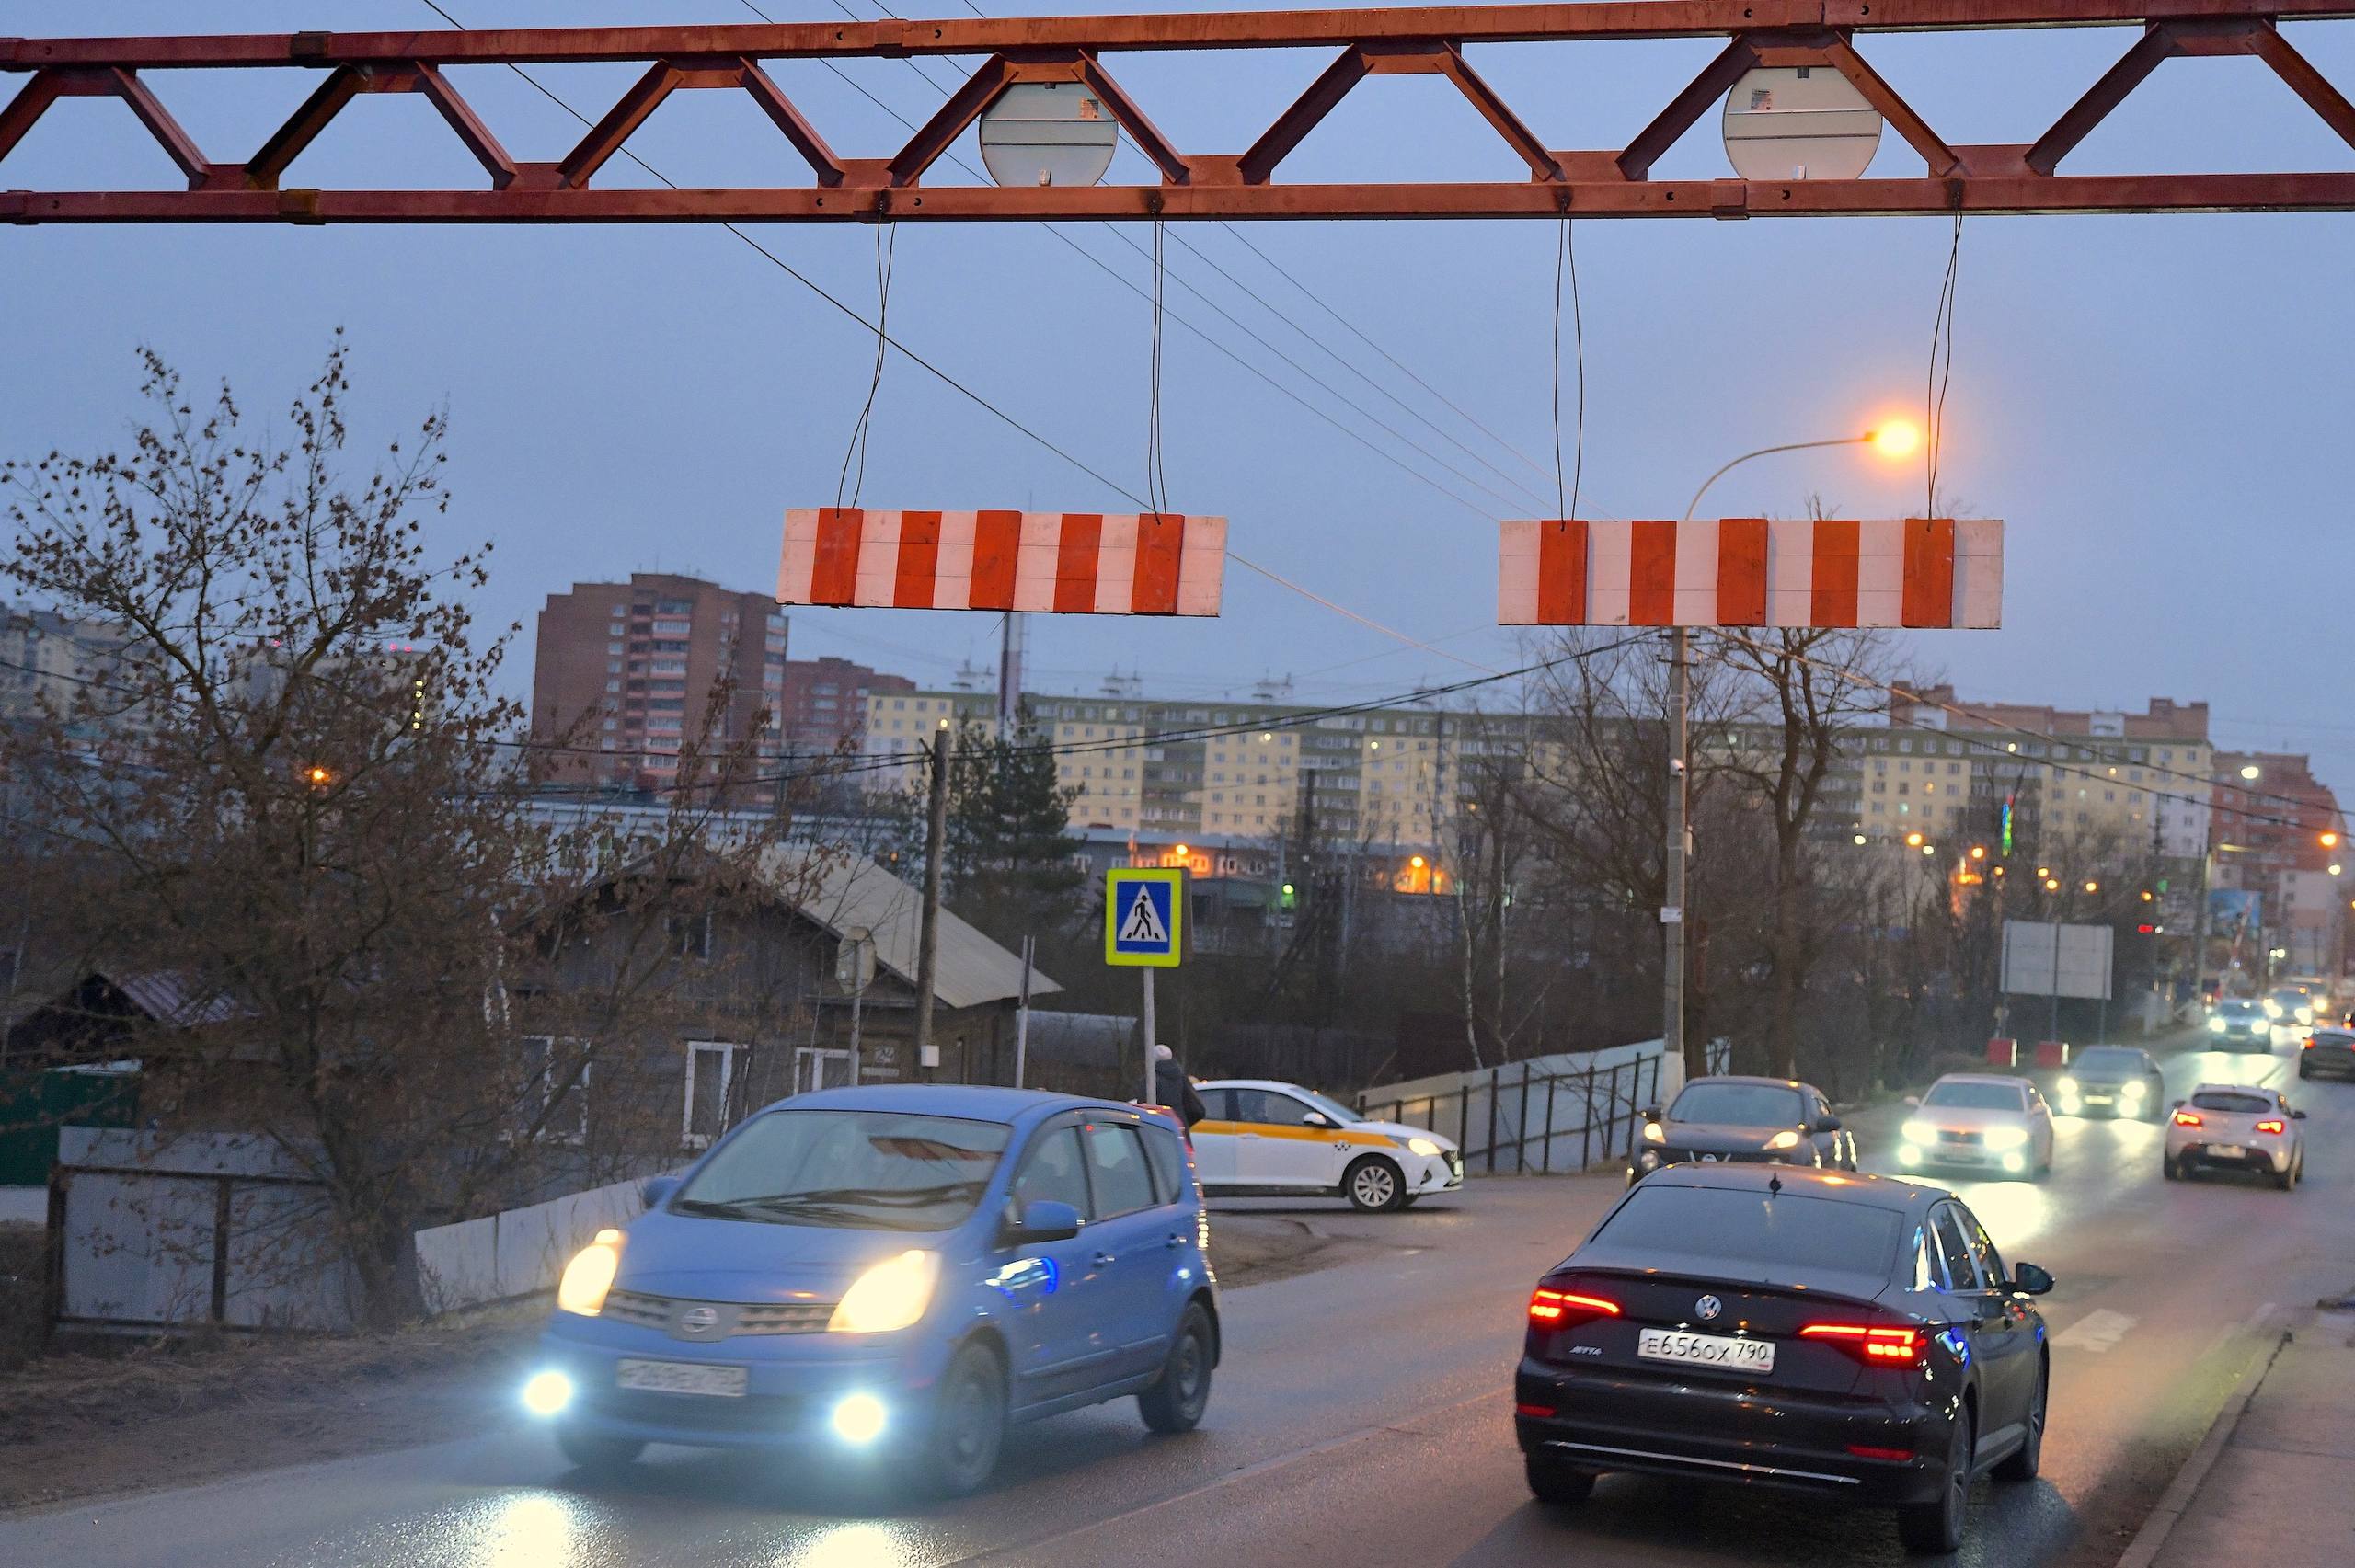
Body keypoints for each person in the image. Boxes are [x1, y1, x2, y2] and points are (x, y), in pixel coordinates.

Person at [1152, 1043, 1207, 1129]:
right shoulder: (1182, 1079)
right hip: (1180, 1132)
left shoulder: (1149, 1081)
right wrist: (1183, 1122)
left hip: (1157, 1132)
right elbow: (1197, 1109)